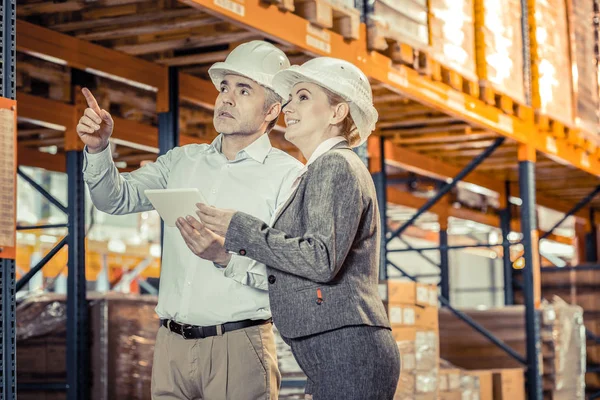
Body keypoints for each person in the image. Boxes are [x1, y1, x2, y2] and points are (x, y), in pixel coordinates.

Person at [77, 40, 303, 400]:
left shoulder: (287, 177)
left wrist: (225, 257)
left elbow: (295, 272)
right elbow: (114, 199)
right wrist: (99, 149)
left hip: (238, 346)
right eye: (225, 87)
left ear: (272, 109)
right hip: (171, 347)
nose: (226, 98)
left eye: (244, 90)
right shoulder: (182, 162)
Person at [193, 57, 401, 400]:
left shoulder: (335, 165)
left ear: (337, 113)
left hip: (347, 349)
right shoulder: (322, 169)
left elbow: (319, 259)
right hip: (337, 349)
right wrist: (227, 256)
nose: (288, 106)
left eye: (303, 96)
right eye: (289, 97)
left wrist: (241, 228)